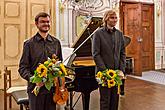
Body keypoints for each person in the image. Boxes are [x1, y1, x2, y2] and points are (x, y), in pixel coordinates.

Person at [18, 12, 63, 110]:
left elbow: (60, 64)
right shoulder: (29, 44)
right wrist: (34, 79)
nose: (46, 24)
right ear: (36, 24)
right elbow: (22, 68)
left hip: (52, 90)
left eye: (48, 22)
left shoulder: (56, 43)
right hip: (36, 90)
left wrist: (60, 85)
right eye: (42, 22)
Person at [92, 9, 126, 110]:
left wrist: (121, 70)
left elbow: (122, 53)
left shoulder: (119, 34)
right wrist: (105, 72)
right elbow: (96, 54)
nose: (115, 20)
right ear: (106, 19)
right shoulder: (98, 34)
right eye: (112, 18)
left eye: (116, 18)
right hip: (103, 74)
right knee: (105, 100)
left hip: (116, 73)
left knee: (115, 99)